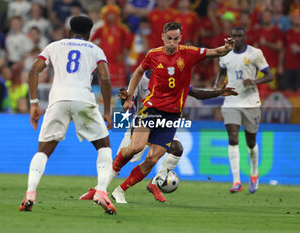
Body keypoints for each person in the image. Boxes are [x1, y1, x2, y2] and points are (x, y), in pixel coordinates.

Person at [81, 22, 234, 204]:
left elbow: (214, 52)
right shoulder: (153, 55)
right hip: (151, 111)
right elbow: (138, 71)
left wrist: (227, 48)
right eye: (169, 38)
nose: (172, 42)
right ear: (163, 36)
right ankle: (100, 188)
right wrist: (129, 97)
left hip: (171, 117)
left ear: (180, 37)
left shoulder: (188, 53)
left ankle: (120, 190)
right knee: (135, 148)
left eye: (176, 39)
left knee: (153, 159)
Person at [19, 16, 117, 215]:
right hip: (83, 100)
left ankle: (30, 193)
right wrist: (107, 111)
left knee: (43, 151)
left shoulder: (55, 46)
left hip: (58, 101)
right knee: (103, 146)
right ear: (89, 34)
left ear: (70, 31)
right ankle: (101, 191)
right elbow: (105, 78)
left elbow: (33, 70)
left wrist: (34, 103)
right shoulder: (95, 50)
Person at [214, 26, 273, 194]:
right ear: (231, 38)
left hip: (251, 103)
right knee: (233, 138)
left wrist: (254, 81)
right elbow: (222, 72)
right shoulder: (225, 55)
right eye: (234, 36)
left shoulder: (255, 53)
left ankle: (254, 174)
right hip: (231, 101)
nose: (237, 39)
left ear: (245, 37)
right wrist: (216, 85)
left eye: (240, 36)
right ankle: (236, 181)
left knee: (251, 142)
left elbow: (269, 76)